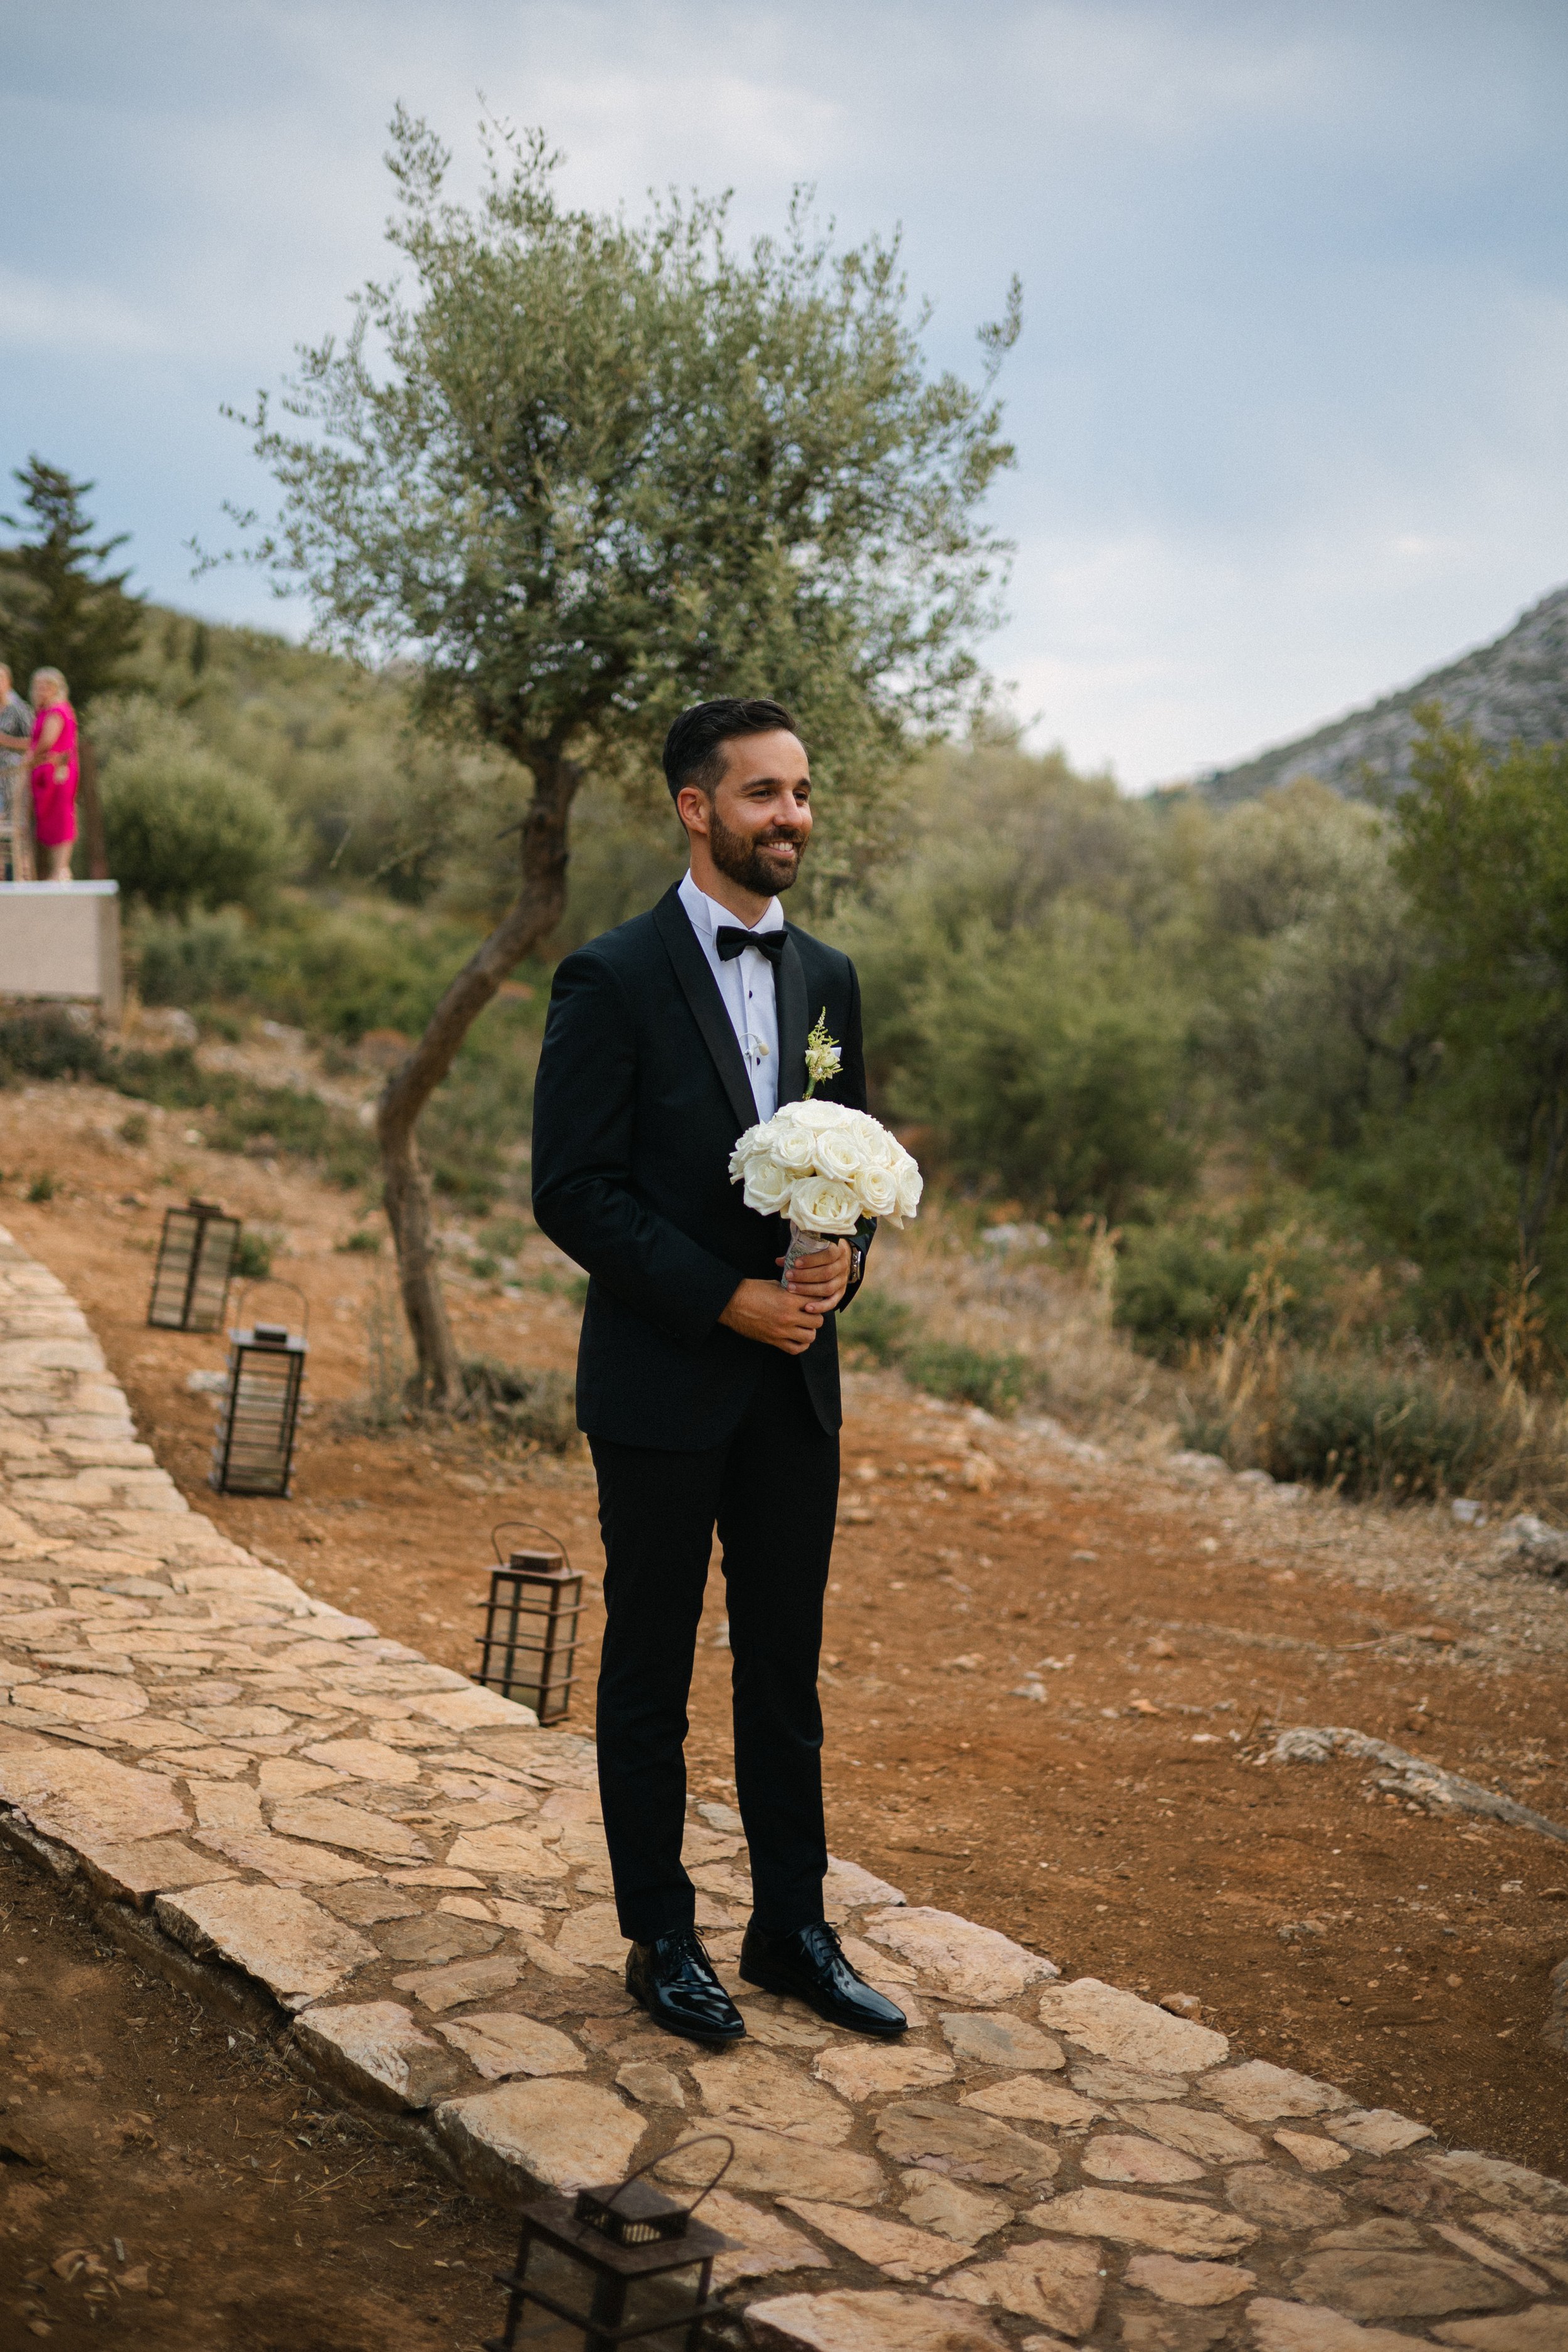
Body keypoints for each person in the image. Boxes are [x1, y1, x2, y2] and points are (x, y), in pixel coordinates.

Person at [531, 696, 906, 2047]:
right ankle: (661, 1935)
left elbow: (850, 1165)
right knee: (646, 1668)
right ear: (696, 808)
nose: (791, 817)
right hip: (660, 1380)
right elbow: (569, 1190)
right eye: (763, 795)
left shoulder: (831, 980)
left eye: (801, 793)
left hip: (793, 1388)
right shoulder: (609, 977)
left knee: (784, 1669)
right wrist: (723, 1299)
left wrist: (836, 1263)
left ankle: (791, 1929)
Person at [21, 669, 78, 882]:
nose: (41, 691)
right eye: (38, 687)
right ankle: (59, 870)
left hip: (58, 772)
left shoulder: (57, 710)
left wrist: (31, 757)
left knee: (62, 817)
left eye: (46, 686)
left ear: (56, 688)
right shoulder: (44, 711)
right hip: (48, 771)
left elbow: (47, 741)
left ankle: (61, 870)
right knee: (53, 819)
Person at [0, 666, 34, 880]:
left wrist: (6, 741)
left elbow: (35, 742)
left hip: (13, 779)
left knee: (14, 828)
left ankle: (18, 877)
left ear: (8, 683)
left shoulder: (19, 710)